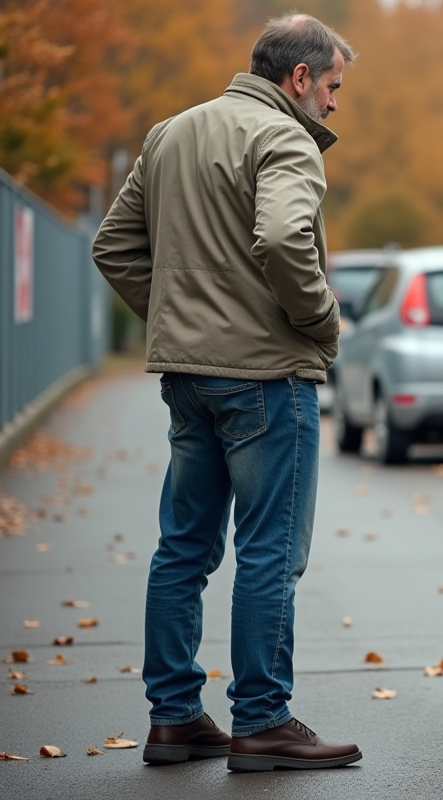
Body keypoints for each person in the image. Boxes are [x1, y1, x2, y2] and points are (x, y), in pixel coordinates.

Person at [92, 14, 361, 772]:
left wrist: (180, 323)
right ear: (300, 78)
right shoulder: (285, 139)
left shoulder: (170, 134)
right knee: (269, 554)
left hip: (190, 380)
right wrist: (321, 320)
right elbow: (280, 240)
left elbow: (113, 244)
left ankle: (174, 719)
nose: (335, 105)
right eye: (333, 86)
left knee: (183, 549)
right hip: (270, 379)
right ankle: (262, 722)